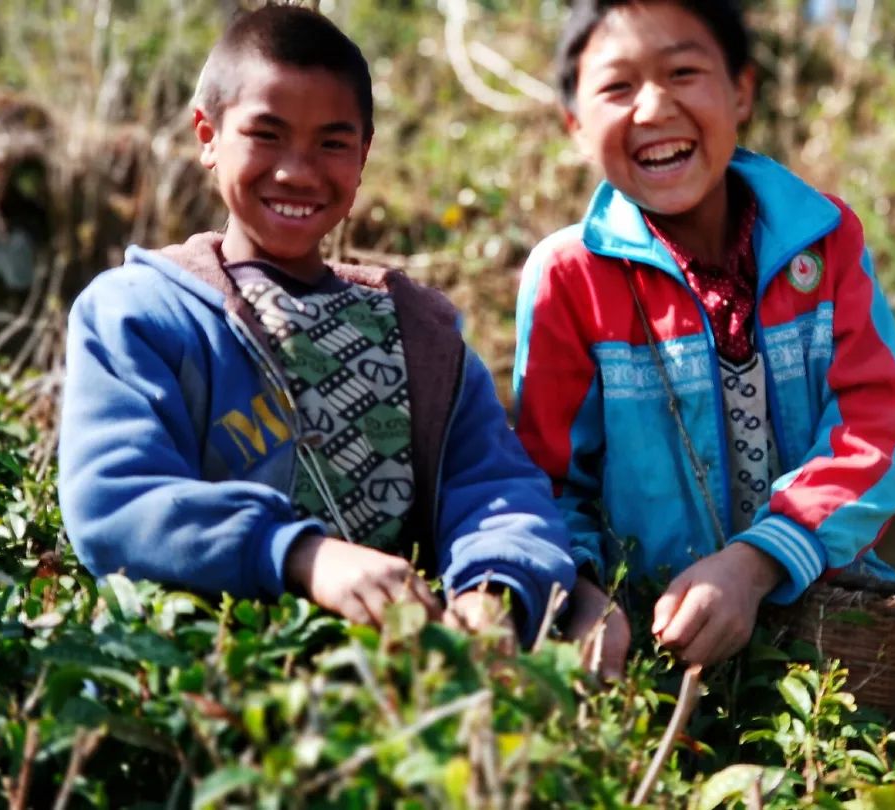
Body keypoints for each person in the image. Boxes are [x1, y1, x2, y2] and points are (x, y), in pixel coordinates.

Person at [58, 5, 575, 647]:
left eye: (332, 143)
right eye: (266, 134)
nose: (297, 171)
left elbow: (497, 487)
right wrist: (301, 555)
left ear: (363, 155)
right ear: (208, 136)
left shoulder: (423, 339)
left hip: (402, 675)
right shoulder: (141, 313)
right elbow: (114, 501)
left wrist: (494, 590)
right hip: (205, 670)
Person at [513, 0, 895, 676]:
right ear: (576, 125)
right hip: (645, 652)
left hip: (826, 647)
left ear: (741, 92)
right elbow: (544, 481)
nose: (653, 108)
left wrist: (758, 562)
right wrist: (583, 597)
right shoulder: (567, 276)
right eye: (617, 87)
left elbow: (876, 423)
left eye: (683, 72)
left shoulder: (826, 240)